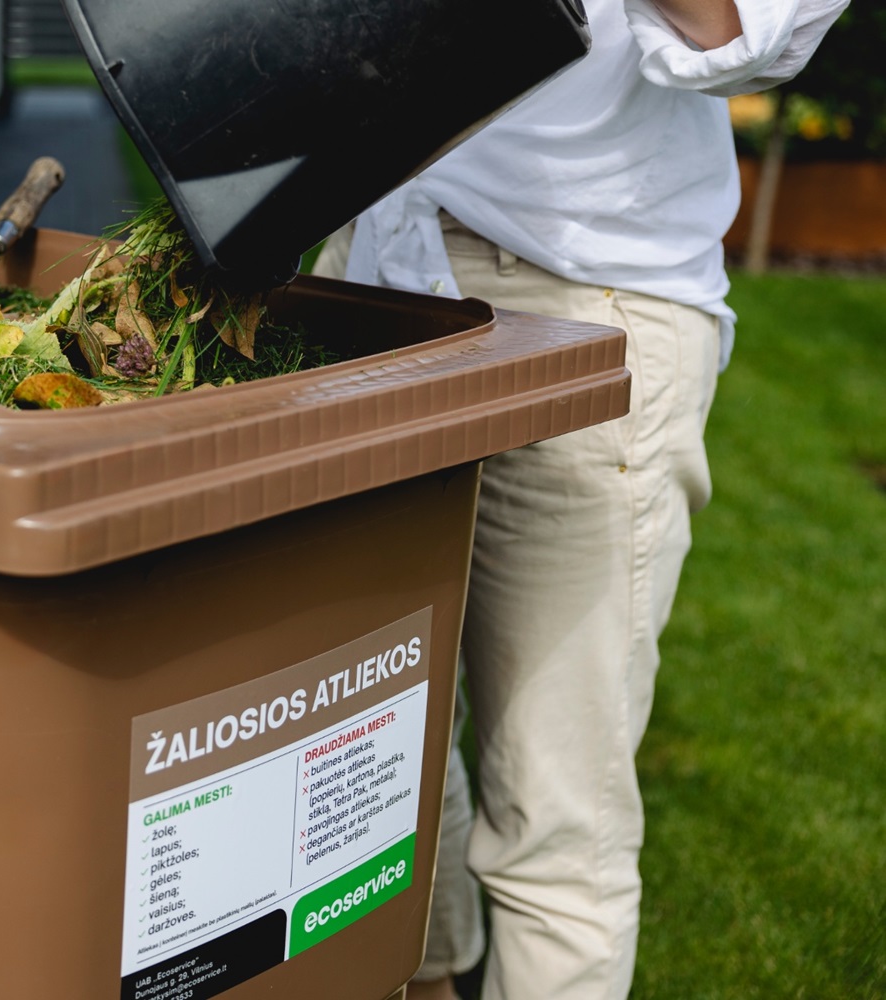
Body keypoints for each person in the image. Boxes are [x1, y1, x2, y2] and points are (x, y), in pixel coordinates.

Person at [312, 0, 848, 997]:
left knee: (554, 815)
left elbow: (742, 30)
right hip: (376, 267)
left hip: (577, 304)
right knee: (377, 745)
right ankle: (429, 977)